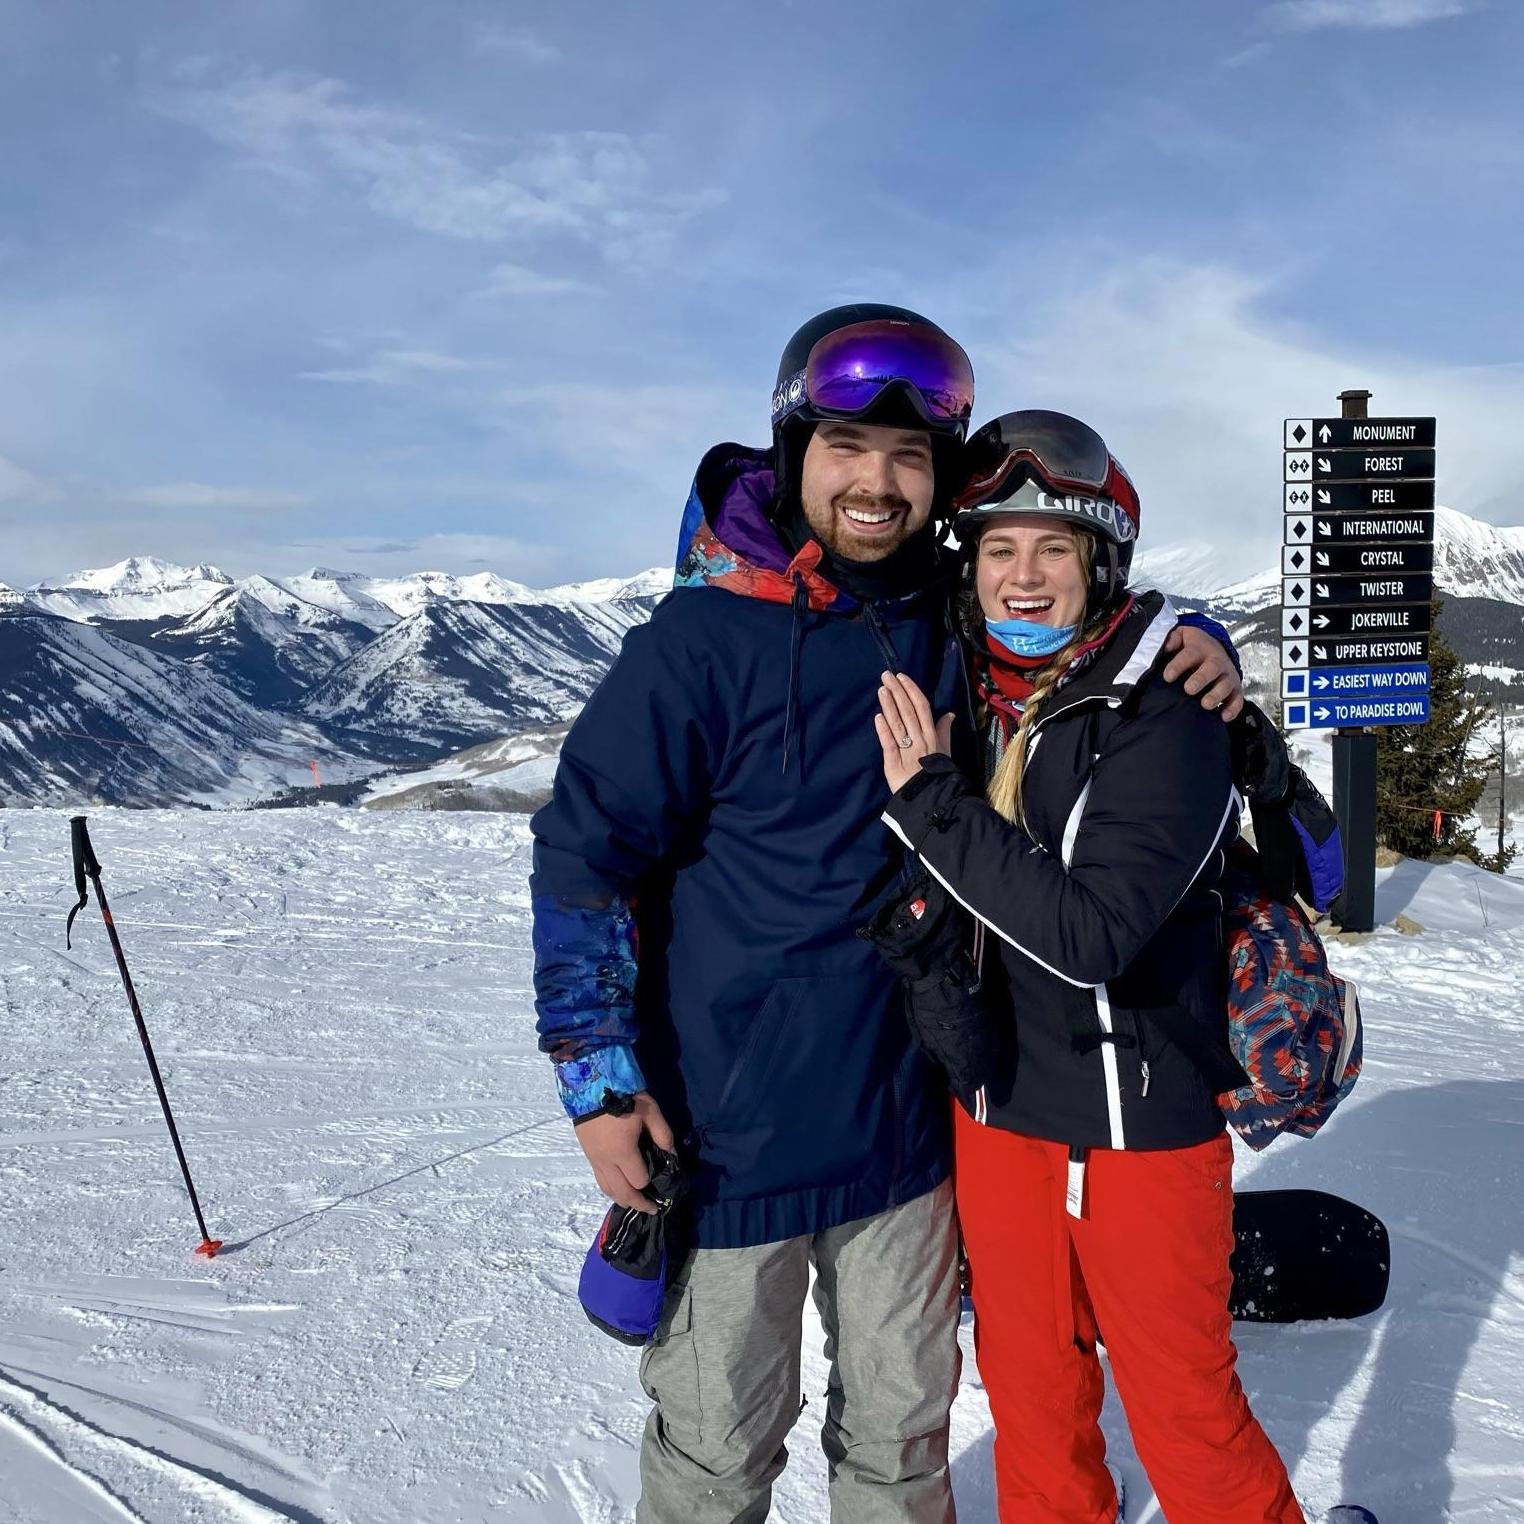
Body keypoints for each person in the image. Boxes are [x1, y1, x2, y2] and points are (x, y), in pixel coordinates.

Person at [530, 317, 1243, 1524]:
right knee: (714, 1458)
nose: (876, 483)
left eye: (909, 459)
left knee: (902, 1449)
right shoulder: (699, 642)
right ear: (795, 447)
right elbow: (583, 858)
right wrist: (599, 1082)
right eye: (849, 447)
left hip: (905, 1133)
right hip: (727, 1138)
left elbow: (1074, 637)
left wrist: (1196, 648)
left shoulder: (940, 614)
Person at [872, 410, 1311, 1524]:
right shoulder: (975, 687)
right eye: (1000, 551)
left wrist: (931, 806)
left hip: (1140, 1136)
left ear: (1099, 564)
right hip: (1000, 1119)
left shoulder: (1169, 711)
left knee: (1183, 1413)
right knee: (1031, 1400)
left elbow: (1091, 935)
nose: (1023, 579)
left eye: (1052, 550)